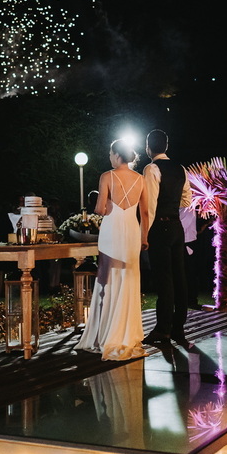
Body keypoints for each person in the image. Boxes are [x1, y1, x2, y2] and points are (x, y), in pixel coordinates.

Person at [76, 140, 150, 360]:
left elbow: (100, 208)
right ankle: (125, 332)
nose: (109, 157)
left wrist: (107, 204)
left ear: (117, 155)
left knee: (107, 278)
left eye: (110, 153)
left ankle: (105, 333)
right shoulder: (141, 179)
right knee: (129, 278)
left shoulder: (107, 176)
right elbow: (145, 213)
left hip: (112, 230)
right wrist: (144, 237)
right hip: (132, 231)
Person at [141, 129, 193, 348]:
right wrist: (171, 202)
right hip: (176, 227)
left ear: (148, 148)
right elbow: (187, 199)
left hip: (159, 227)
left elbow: (150, 205)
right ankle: (178, 327)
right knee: (179, 276)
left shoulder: (151, 168)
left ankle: (163, 328)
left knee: (164, 278)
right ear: (166, 146)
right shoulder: (181, 169)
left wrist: (144, 234)